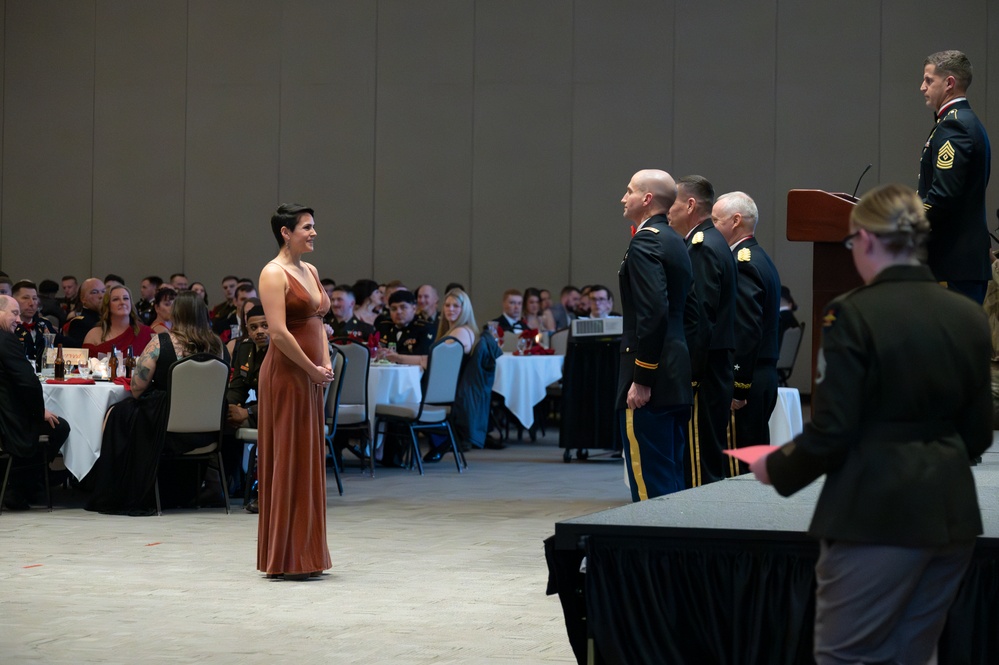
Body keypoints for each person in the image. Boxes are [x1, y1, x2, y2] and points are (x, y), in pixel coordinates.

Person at [750, 184, 991, 664]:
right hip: (952, 513)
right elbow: (980, 430)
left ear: (864, 239)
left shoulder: (853, 313)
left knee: (848, 656)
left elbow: (833, 428)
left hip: (877, 515)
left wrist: (778, 468)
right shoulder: (967, 314)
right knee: (913, 655)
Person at [86, 291, 227, 516]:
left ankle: (113, 487)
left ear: (177, 314)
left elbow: (136, 387)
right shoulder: (219, 346)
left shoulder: (162, 342)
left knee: (118, 413)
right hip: (209, 430)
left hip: (166, 430)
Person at [257, 203, 333, 580]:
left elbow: (318, 321)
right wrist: (311, 369)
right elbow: (278, 333)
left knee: (308, 458)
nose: (314, 233)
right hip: (288, 374)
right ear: (286, 232)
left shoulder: (311, 270)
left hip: (312, 374)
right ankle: (287, 556)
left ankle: (307, 553)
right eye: (307, 227)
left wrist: (327, 363)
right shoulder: (273, 274)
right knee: (290, 457)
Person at [617, 169, 694, 500]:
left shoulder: (646, 239)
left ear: (647, 199)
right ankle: (678, 552)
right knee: (671, 479)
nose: (623, 198)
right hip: (676, 370)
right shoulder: (676, 240)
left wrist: (643, 376)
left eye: (630, 191)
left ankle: (655, 553)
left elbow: (653, 312)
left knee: (651, 487)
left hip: (654, 377)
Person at [667, 175, 737, 488]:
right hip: (713, 366)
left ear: (691, 204)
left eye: (673, 204)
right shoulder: (711, 241)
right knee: (706, 454)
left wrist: (690, 373)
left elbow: (700, 318)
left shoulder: (703, 247)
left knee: (697, 461)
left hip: (704, 370)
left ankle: (695, 530)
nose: (668, 211)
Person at [918, 50, 992, 303]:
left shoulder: (955, 126)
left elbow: (943, 195)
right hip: (961, 260)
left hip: (953, 260)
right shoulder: (963, 121)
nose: (922, 87)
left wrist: (905, 224)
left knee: (953, 341)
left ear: (949, 83)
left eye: (929, 80)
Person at [712, 191, 781, 463]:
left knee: (738, 463)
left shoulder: (743, 263)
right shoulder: (759, 257)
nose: (712, 227)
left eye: (716, 220)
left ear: (736, 220)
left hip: (747, 377)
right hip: (760, 373)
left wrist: (738, 387)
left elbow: (746, 328)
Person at [0, 295, 70, 510]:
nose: (19, 320)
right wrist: (39, 412)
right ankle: (24, 485)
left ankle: (26, 483)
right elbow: (28, 383)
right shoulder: (5, 340)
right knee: (58, 426)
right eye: (14, 313)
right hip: (7, 421)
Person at [225, 303, 270, 512]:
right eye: (254, 327)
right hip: (260, 410)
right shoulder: (244, 349)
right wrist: (230, 408)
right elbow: (237, 387)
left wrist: (248, 412)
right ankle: (225, 486)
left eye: (265, 325)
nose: (259, 331)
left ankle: (266, 493)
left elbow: (282, 398)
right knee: (222, 422)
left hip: (281, 413)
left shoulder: (282, 351)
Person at [82, 284, 154, 359]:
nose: (122, 302)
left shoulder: (146, 333)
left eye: (125, 298)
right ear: (108, 306)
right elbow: (84, 366)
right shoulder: (93, 335)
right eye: (116, 299)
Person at [380, 290, 436, 365]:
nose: (398, 312)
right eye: (393, 309)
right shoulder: (384, 326)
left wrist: (398, 357)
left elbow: (424, 358)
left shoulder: (424, 328)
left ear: (414, 309)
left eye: (403, 308)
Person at [12, 280, 62, 362]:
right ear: (13, 301)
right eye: (25, 298)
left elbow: (61, 344)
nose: (32, 303)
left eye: (34, 298)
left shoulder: (44, 324)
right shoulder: (8, 326)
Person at [63, 278, 105, 347]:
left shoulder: (112, 318)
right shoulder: (79, 323)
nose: (101, 296)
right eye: (94, 292)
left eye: (104, 291)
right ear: (83, 299)